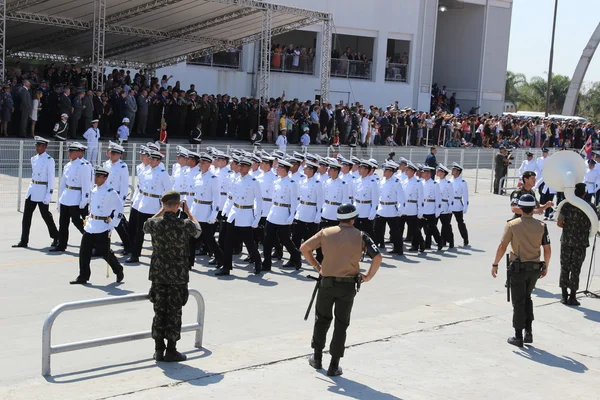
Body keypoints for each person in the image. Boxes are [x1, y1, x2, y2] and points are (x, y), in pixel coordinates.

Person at [300, 203, 382, 376]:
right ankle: (334, 364)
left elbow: (304, 248)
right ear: (353, 219)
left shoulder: (326, 232)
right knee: (341, 324)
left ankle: (317, 358)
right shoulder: (361, 236)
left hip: (326, 283)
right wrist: (367, 276)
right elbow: (378, 258)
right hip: (347, 285)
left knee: (322, 319)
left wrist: (318, 266)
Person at [144, 190, 201, 362]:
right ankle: (171, 349)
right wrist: (188, 211)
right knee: (174, 313)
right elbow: (198, 230)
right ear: (178, 206)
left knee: (159, 311)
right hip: (177, 276)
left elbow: (146, 225)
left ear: (163, 204)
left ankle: (158, 350)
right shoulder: (184, 224)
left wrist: (162, 211)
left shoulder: (155, 224)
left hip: (158, 275)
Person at [491, 194, 551, 347]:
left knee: (518, 302)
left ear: (520, 208)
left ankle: (518, 336)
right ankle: (529, 331)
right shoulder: (542, 226)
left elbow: (502, 246)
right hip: (534, 269)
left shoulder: (512, 224)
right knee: (527, 298)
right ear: (533, 208)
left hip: (518, 269)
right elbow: (547, 249)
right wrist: (546, 266)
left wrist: (495, 264)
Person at [70, 166, 125, 285]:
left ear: (105, 178)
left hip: (102, 226)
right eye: (95, 176)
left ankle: (118, 268)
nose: (96, 178)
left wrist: (113, 224)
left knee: (104, 252)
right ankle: (83, 276)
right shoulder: (94, 190)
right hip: (91, 225)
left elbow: (120, 209)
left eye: (99, 176)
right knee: (84, 252)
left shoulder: (111, 192)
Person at [12, 136, 59, 248]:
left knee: (46, 216)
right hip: (32, 189)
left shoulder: (49, 160)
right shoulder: (34, 159)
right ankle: (24, 240)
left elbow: (51, 178)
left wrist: (49, 194)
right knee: (26, 216)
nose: (36, 147)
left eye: (39, 145)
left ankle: (56, 236)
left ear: (45, 146)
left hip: (42, 190)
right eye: (36, 145)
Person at [127, 150, 172, 263]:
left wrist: (166, 207)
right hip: (143, 203)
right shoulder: (146, 171)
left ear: (158, 160)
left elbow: (168, 190)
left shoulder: (162, 173)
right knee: (139, 231)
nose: (150, 161)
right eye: (150, 158)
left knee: (155, 232)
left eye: (152, 159)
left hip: (155, 204)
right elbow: (141, 187)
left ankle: (159, 254)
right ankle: (135, 254)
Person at [220, 158, 263, 276]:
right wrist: (225, 211)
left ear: (249, 168)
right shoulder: (235, 180)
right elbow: (231, 197)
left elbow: (258, 200)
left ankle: (258, 262)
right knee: (228, 242)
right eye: (240, 166)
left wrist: (257, 217)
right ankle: (226, 267)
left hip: (246, 213)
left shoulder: (254, 181)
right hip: (234, 212)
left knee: (249, 242)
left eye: (243, 166)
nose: (241, 168)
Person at [557, 183, 594, 306]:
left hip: (567, 241)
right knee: (576, 269)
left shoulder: (567, 205)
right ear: (584, 193)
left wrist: (569, 228)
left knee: (565, 267)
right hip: (581, 243)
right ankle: (572, 297)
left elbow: (559, 223)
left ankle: (563, 296)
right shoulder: (589, 207)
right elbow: (595, 223)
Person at [50, 142, 91, 252]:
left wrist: (84, 200)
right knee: (63, 223)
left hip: (76, 197)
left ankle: (92, 241)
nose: (69, 153)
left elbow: (86, 184)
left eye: (72, 151)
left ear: (78, 153)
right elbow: (63, 183)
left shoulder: (83, 166)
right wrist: (59, 200)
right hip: (66, 196)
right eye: (69, 151)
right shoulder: (67, 165)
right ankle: (62, 244)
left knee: (77, 221)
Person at [262, 159, 302, 271]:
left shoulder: (292, 183)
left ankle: (296, 256)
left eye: (279, 168)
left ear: (284, 169)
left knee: (285, 240)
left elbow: (294, 201)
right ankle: (266, 263)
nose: (276, 169)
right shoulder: (276, 181)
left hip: (284, 212)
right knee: (267, 240)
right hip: (273, 212)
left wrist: (291, 216)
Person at [190, 153, 223, 269]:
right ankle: (189, 262)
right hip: (196, 209)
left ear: (209, 164)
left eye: (204, 162)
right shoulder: (197, 176)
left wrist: (214, 214)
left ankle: (220, 259)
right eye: (200, 162)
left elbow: (217, 198)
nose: (201, 164)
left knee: (209, 238)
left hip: (206, 210)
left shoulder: (213, 179)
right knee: (191, 237)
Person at [103, 142, 132, 254]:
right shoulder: (106, 164)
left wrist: (121, 201)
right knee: (107, 221)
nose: (112, 155)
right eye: (112, 152)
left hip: (116, 197)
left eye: (115, 153)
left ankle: (128, 245)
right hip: (106, 197)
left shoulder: (122, 166)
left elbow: (124, 186)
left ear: (120, 155)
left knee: (118, 223)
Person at [374, 161, 404, 254]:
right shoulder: (382, 181)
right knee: (376, 229)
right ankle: (375, 247)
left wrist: (400, 209)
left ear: (391, 172)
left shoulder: (396, 182)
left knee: (395, 231)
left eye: (386, 170)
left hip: (391, 209)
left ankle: (398, 248)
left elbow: (401, 197)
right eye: (384, 170)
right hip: (382, 208)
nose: (384, 172)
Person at [352, 159, 379, 238]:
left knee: (368, 231)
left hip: (366, 209)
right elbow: (354, 196)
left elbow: (375, 199)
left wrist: (373, 211)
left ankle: (371, 249)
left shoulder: (372, 182)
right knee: (355, 230)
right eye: (359, 167)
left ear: (367, 170)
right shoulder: (356, 181)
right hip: (357, 208)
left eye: (361, 168)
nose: (359, 170)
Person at [420, 165, 443, 251]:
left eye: (425, 173)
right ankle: (424, 244)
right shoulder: (421, 183)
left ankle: (439, 241)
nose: (423, 174)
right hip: (423, 208)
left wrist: (437, 210)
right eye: (423, 172)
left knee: (432, 228)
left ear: (429, 174)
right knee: (419, 228)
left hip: (431, 208)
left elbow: (438, 198)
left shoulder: (434, 184)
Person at [450, 163, 469, 246]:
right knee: (446, 224)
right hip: (449, 204)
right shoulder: (449, 181)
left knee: (460, 223)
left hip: (458, 204)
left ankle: (465, 238)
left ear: (458, 172)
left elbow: (465, 195)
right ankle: (448, 239)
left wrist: (465, 206)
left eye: (454, 170)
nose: (452, 171)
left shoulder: (462, 182)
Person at [436, 164, 455, 248]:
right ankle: (441, 241)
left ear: (443, 173)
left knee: (446, 225)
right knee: (433, 225)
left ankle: (450, 240)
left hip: (444, 205)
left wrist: (450, 207)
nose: (437, 172)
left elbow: (451, 196)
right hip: (436, 206)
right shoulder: (436, 182)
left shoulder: (448, 183)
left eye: (439, 171)